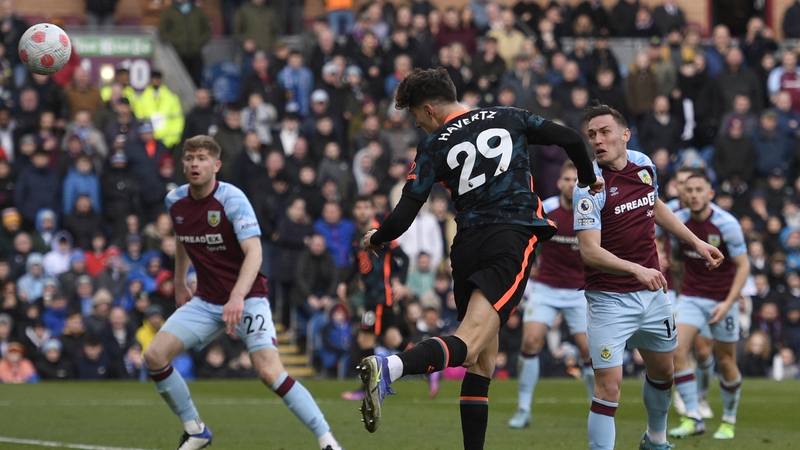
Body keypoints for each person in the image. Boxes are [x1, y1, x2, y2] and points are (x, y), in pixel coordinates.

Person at [355, 67, 601, 450]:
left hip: (467, 245)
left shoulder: (434, 145)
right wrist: (588, 177)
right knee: (468, 343)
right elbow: (569, 138)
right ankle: (391, 367)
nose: (420, 126)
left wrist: (377, 238)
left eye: (418, 118)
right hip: (510, 236)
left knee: (482, 361)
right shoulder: (509, 116)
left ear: (430, 109)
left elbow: (404, 214)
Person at [143, 135, 343, 450]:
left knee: (268, 372)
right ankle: (196, 431)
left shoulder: (232, 199)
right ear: (183, 164)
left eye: (202, 158)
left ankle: (327, 440)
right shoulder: (176, 202)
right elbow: (183, 238)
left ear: (216, 165)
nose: (195, 163)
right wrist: (181, 281)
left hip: (248, 298)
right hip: (207, 300)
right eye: (190, 158)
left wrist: (238, 296)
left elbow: (255, 253)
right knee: (154, 356)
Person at [572, 103, 723, 450]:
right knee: (609, 387)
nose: (597, 140)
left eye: (605, 132)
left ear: (625, 135)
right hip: (609, 299)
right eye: (591, 135)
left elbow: (654, 206)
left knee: (663, 373)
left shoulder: (644, 165)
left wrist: (697, 242)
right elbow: (589, 251)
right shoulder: (589, 186)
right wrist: (636, 268)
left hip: (652, 296)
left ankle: (655, 440)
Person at [508, 160, 595, 429]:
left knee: (588, 350)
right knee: (531, 341)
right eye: (567, 179)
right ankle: (523, 408)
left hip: (579, 290)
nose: (571, 184)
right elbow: (527, 240)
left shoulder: (590, 210)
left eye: (575, 179)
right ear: (559, 183)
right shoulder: (546, 208)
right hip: (546, 287)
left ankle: (598, 408)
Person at [666, 171, 749, 440]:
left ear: (710, 194)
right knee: (676, 350)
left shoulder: (726, 224)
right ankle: (693, 416)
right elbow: (666, 244)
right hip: (690, 296)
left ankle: (729, 419)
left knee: (726, 361)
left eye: (699, 190)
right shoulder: (679, 221)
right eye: (689, 190)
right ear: (683, 194)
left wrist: (728, 303)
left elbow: (743, 265)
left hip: (721, 300)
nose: (693, 195)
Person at [340, 195, 409, 401]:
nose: (362, 211)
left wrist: (400, 282)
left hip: (379, 296)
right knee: (392, 339)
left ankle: (369, 387)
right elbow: (357, 264)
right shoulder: (356, 235)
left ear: (372, 210)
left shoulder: (380, 233)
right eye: (358, 207)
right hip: (371, 296)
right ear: (354, 211)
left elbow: (403, 258)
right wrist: (345, 282)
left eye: (366, 207)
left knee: (365, 339)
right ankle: (433, 367)